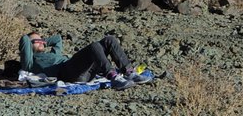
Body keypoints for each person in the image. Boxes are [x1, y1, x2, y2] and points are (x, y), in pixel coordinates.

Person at [19, 31, 152, 90]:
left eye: (42, 40)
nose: (41, 42)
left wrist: (42, 41)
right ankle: (113, 77)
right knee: (94, 46)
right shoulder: (30, 61)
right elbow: (24, 38)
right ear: (29, 46)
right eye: (36, 41)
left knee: (109, 40)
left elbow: (57, 39)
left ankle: (129, 72)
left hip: (82, 71)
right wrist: (32, 42)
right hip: (67, 73)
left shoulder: (53, 52)